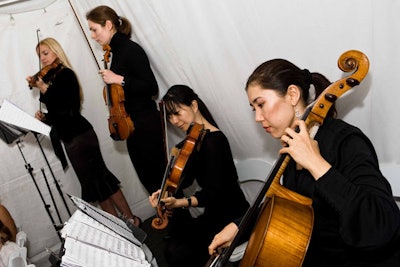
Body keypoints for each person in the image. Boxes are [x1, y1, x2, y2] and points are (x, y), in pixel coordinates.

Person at [208, 59, 400, 266]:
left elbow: (381, 226)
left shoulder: (345, 140)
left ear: (292, 94)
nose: (257, 117)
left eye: (261, 104)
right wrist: (240, 226)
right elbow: (283, 205)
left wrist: (316, 164)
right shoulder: (291, 153)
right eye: (253, 108)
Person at [27, 37, 141, 226]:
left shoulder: (66, 75)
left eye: (46, 53)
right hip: (70, 138)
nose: (43, 59)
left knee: (102, 179)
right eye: (40, 56)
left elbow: (69, 111)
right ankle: (119, 227)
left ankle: (132, 220)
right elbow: (58, 114)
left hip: (81, 136)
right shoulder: (51, 79)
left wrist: (45, 89)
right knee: (93, 186)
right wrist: (45, 118)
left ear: (56, 51)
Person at [148, 85, 249, 266]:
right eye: (169, 117)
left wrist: (180, 203)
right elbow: (184, 181)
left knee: (177, 253)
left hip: (232, 215)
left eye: (177, 113)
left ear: (194, 106)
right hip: (213, 213)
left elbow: (213, 194)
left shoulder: (215, 142)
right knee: (174, 246)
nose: (174, 121)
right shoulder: (193, 140)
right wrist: (164, 192)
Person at [86, 6, 167, 195]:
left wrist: (119, 79)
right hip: (132, 128)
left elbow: (151, 88)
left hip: (147, 127)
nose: (92, 35)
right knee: (151, 186)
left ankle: (179, 223)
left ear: (108, 25)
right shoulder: (115, 52)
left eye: (94, 29)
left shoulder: (131, 49)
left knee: (161, 184)